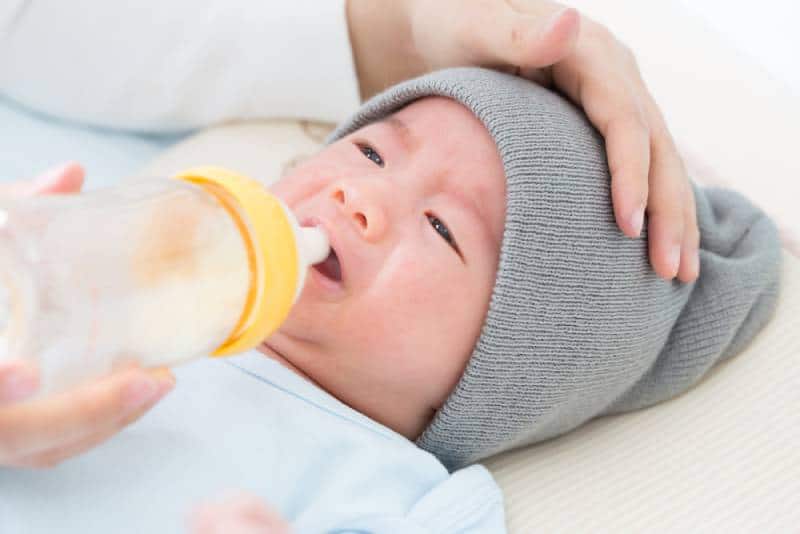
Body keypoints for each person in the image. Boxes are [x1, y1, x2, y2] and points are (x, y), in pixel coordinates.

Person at [0, 68, 781, 533]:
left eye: (443, 229)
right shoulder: (133, 257)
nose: (360, 195)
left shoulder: (406, 494)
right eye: (372, 150)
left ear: (492, 379)